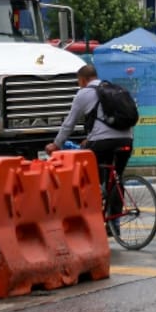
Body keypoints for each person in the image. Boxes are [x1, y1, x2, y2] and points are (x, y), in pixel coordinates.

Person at [45, 64, 134, 220]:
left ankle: (94, 209)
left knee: (88, 175)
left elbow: (69, 123)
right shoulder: (114, 89)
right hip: (126, 139)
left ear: (83, 80)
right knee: (116, 177)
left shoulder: (84, 93)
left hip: (102, 143)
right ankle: (114, 221)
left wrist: (56, 144)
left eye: (78, 81)